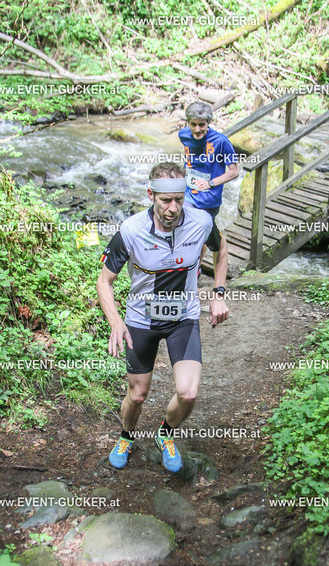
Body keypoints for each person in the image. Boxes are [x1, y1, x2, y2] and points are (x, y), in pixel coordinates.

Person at [96, 162, 229, 473]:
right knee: (137, 395)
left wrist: (219, 293)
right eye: (165, 200)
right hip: (141, 320)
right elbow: (104, 281)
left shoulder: (201, 221)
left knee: (189, 393)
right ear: (150, 195)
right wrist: (115, 321)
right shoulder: (131, 231)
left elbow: (221, 250)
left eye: (179, 200)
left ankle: (165, 433)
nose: (173, 208)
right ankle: (126, 436)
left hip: (183, 318)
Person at [178, 101, 239, 266]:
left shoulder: (221, 141)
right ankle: (191, 269)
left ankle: (196, 267)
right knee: (187, 233)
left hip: (209, 199)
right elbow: (189, 159)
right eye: (193, 124)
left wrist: (211, 183)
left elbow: (234, 171)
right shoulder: (183, 135)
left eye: (202, 125)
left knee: (201, 235)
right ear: (188, 123)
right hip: (189, 195)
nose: (197, 129)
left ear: (208, 123)